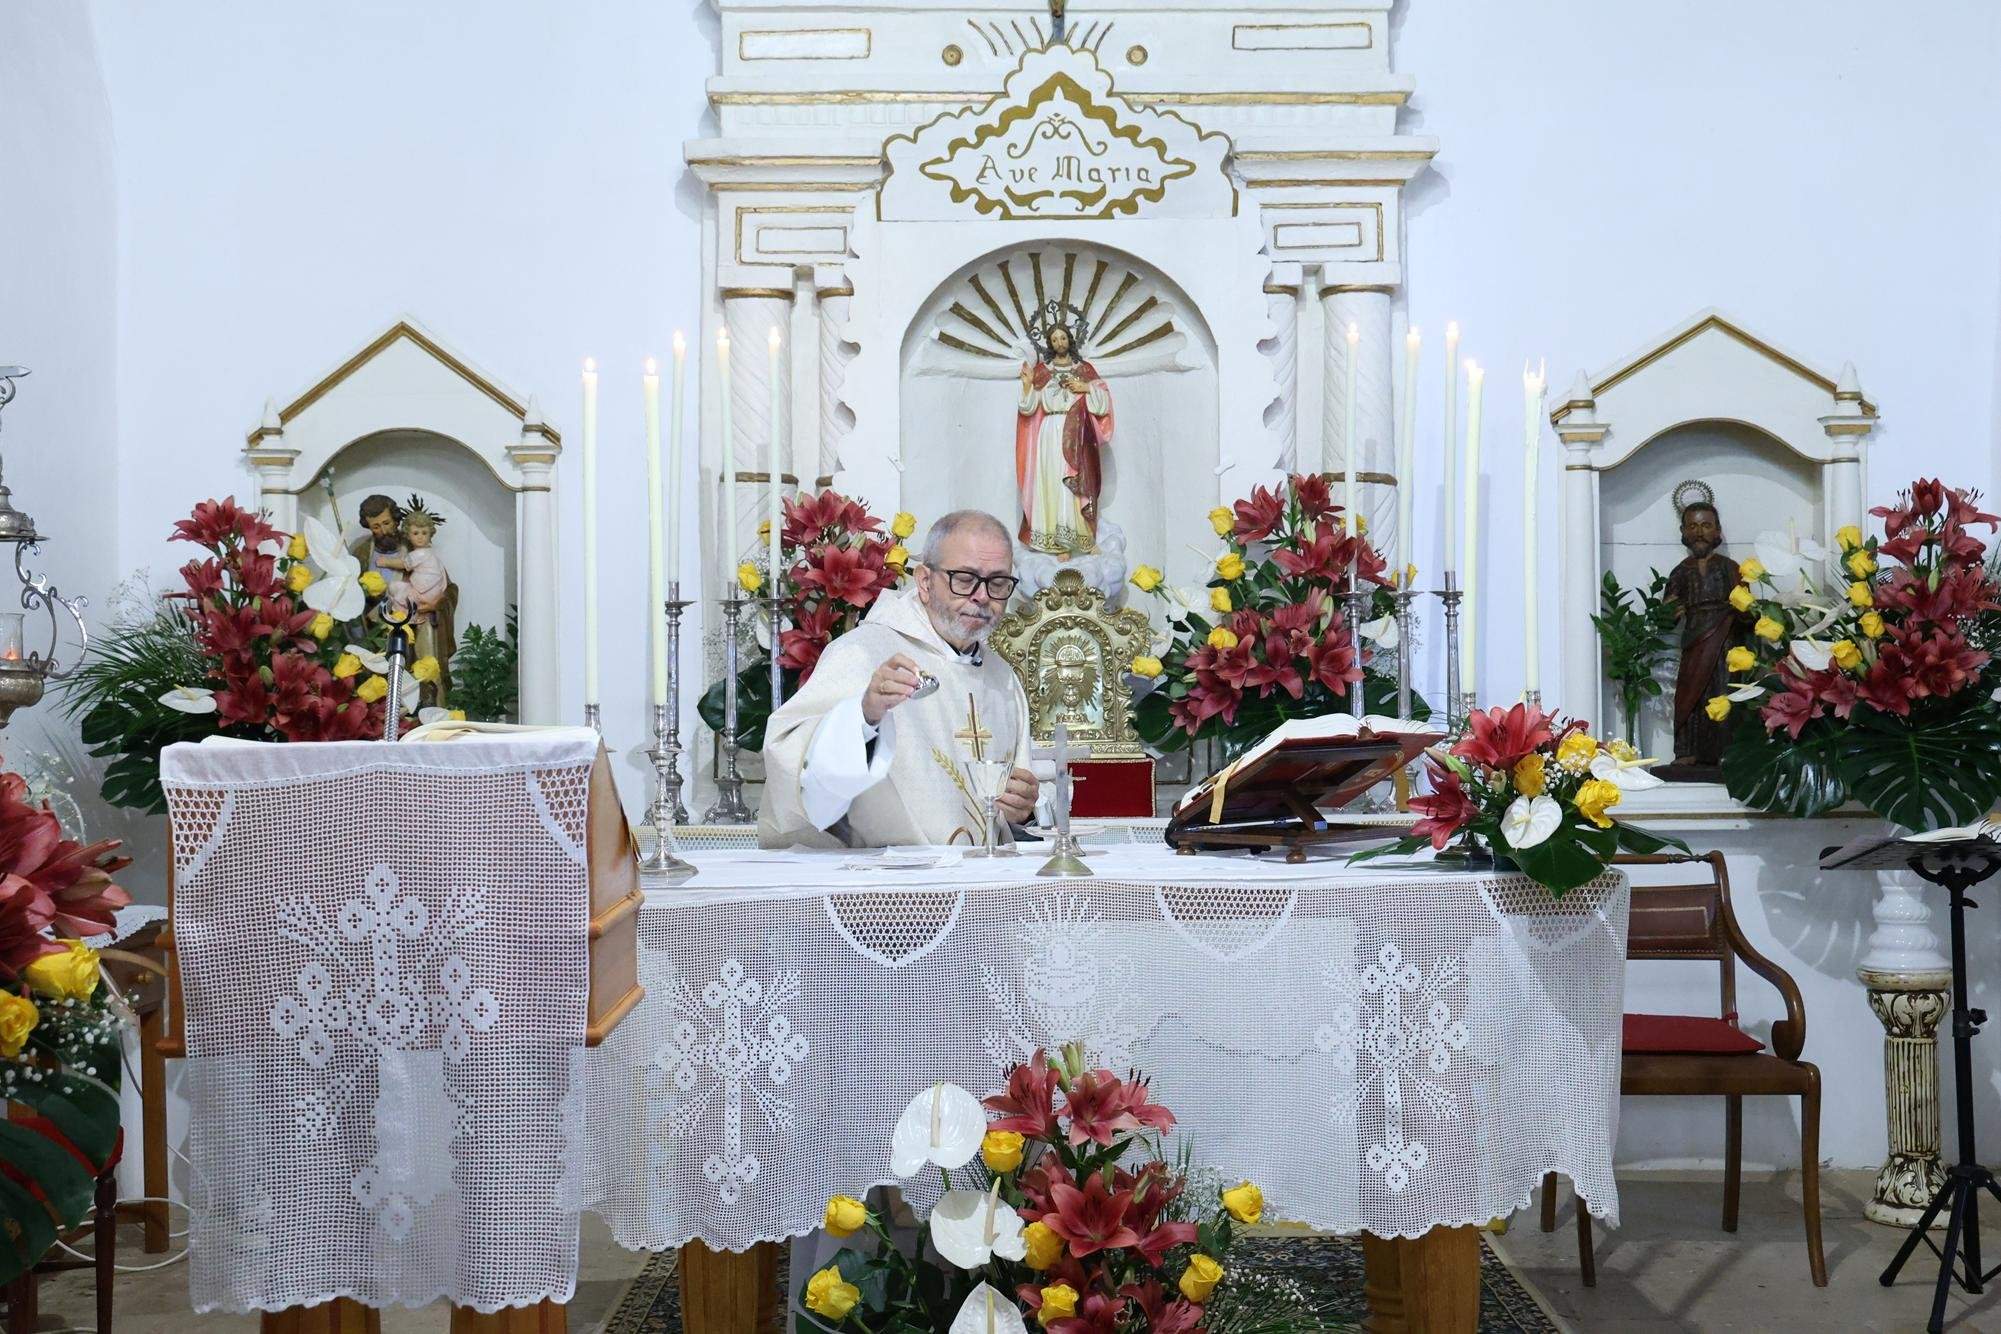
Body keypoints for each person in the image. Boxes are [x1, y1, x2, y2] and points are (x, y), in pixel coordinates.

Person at [760, 510, 1039, 849]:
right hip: (880, 884)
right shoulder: (863, 653)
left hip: (977, 888)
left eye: (997, 583)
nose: (982, 596)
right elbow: (789, 760)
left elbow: (1014, 813)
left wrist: (1022, 812)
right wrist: (863, 716)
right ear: (924, 581)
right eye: (965, 579)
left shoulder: (1002, 679)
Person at [1016, 319, 1113, 557]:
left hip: (1077, 430)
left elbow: (1103, 405)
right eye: (1054, 339)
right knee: (1053, 481)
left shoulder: (1084, 369)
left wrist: (1087, 388)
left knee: (1076, 483)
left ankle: (1082, 537)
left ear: (1070, 339)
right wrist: (1028, 386)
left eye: (1063, 337)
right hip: (1050, 432)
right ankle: (1058, 541)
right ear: (1049, 343)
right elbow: (1028, 408)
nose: (1060, 342)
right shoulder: (1043, 371)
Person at [1665, 500, 1744, 768]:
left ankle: (1726, 750)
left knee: (1723, 692)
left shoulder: (1729, 567)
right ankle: (1687, 750)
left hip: (1725, 640)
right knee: (1690, 695)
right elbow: (1666, 617)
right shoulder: (1679, 572)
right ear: (1683, 531)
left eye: (1706, 526)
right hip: (1694, 642)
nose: (1699, 532)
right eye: (1693, 526)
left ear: (1717, 531)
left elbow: (1747, 608)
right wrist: (1668, 612)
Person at [379, 508, 455, 706]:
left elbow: (448, 589)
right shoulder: (375, 554)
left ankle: (434, 709)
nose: (420, 537)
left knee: (429, 664)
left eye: (424, 533)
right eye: (415, 533)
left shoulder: (426, 560)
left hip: (426, 621)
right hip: (399, 625)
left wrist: (435, 604)